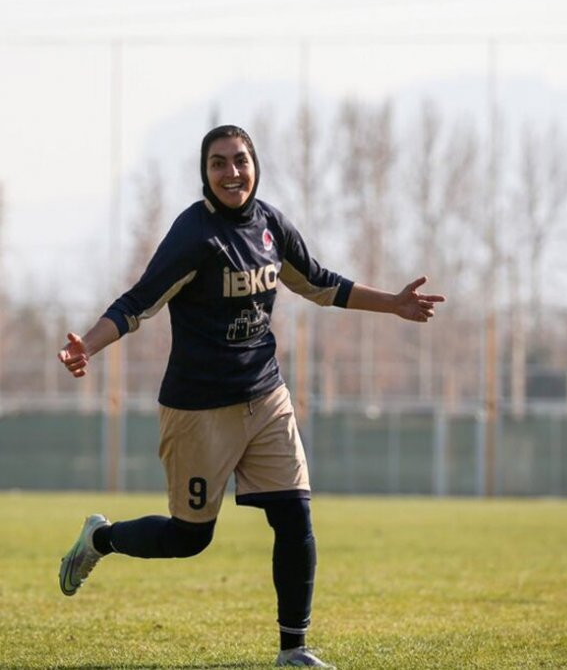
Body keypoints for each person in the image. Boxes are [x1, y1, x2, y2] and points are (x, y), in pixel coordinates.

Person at [57, 124, 445, 668]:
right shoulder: (194, 235)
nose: (232, 172)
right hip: (198, 409)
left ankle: (294, 650)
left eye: (240, 160)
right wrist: (88, 347)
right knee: (190, 539)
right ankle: (101, 540)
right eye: (218, 163)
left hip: (265, 396)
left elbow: (320, 283)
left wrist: (395, 305)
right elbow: (137, 302)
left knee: (295, 516)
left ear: (255, 164)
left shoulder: (270, 225)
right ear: (205, 173)